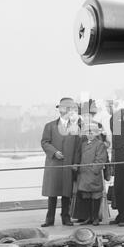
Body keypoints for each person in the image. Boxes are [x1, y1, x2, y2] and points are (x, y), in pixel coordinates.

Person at [40, 97, 80, 227]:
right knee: (52, 194)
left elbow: (77, 147)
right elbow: (45, 142)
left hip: (68, 164)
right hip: (54, 164)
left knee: (66, 193)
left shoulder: (75, 127)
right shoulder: (49, 126)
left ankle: (66, 218)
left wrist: (75, 163)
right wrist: (54, 152)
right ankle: (49, 219)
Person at [73, 123, 108, 226]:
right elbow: (80, 157)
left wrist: (93, 170)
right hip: (84, 174)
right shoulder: (83, 144)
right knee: (86, 196)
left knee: (96, 196)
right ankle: (89, 217)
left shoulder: (100, 144)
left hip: (93, 175)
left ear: (96, 133)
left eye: (92, 132)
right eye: (88, 132)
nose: (90, 134)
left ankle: (95, 217)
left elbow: (101, 159)